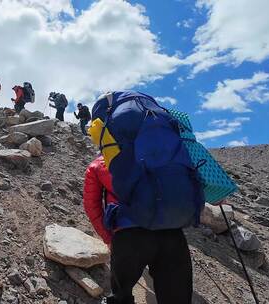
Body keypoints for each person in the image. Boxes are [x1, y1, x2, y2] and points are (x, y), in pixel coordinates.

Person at [83, 91, 203, 304]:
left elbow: (92, 206)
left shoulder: (98, 165)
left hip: (128, 234)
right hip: (171, 231)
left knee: (121, 296)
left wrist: (109, 238)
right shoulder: (163, 149)